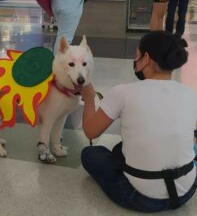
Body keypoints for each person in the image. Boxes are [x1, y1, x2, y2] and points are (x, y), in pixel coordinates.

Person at [81, 31, 197, 213]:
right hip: (187, 191)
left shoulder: (123, 92)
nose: (135, 61)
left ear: (147, 58)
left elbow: (90, 132)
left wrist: (88, 98)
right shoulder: (190, 94)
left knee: (90, 153)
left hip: (140, 197)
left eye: (136, 56)